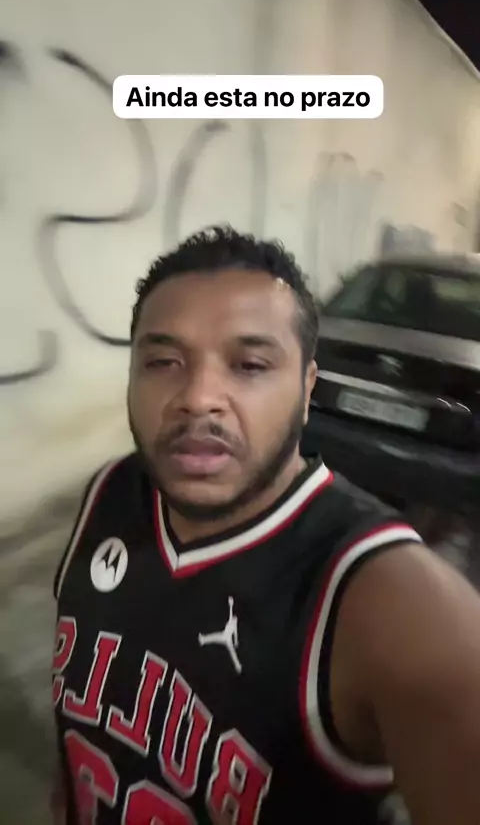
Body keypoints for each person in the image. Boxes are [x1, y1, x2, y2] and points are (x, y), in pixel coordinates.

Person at [51, 225, 480, 825]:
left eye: (250, 364)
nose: (199, 396)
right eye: (163, 361)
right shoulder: (109, 494)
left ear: (307, 390)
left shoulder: (395, 603)